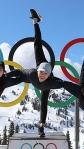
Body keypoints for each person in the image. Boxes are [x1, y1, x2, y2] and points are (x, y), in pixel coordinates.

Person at [6, 8, 64, 137]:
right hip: (37, 72)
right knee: (36, 47)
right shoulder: (32, 73)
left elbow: (64, 84)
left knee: (44, 102)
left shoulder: (47, 78)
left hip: (47, 80)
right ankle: (36, 22)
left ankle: (35, 22)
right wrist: (6, 75)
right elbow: (19, 72)